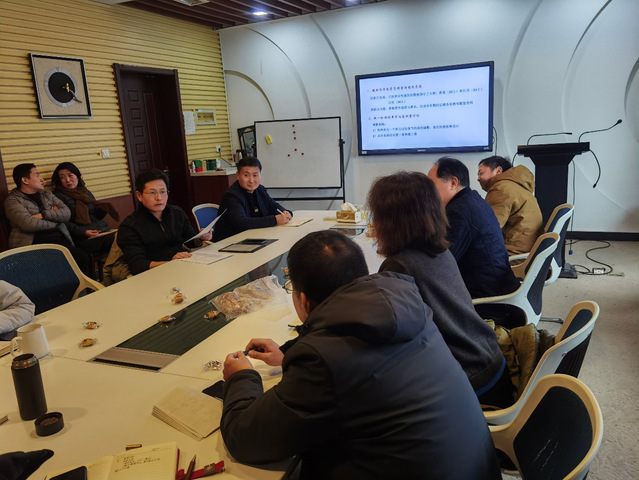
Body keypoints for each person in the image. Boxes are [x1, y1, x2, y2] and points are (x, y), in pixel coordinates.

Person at [220, 230, 501, 479]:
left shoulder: (321, 361)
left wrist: (241, 378)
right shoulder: (407, 304)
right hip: (475, 467)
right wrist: (289, 355)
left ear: (303, 299)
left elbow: (245, 439)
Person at [367, 171, 514, 408]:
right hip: (489, 360)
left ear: (388, 220)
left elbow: (389, 336)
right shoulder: (439, 250)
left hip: (471, 382)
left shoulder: (400, 265)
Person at [428, 157, 519, 299]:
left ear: (453, 183)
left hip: (489, 298)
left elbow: (441, 264)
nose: (428, 192)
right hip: (500, 286)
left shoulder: (458, 212)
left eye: (431, 185)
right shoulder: (473, 199)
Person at [117, 169, 212, 276]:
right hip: (152, 276)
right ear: (139, 195)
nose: (159, 198)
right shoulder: (130, 226)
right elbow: (137, 266)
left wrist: (200, 238)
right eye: (152, 193)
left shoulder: (177, 213)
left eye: (163, 192)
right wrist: (171, 263)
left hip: (182, 270)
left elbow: (190, 242)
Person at [4, 163, 92, 275]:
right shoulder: (13, 200)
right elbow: (28, 224)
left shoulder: (47, 194)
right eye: (37, 175)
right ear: (25, 180)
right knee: (56, 266)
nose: (42, 179)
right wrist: (56, 219)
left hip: (59, 241)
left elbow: (66, 213)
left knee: (82, 257)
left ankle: (86, 286)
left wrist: (43, 215)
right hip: (33, 245)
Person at [212, 157, 292, 242]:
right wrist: (275, 220)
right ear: (238, 175)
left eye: (255, 175)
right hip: (231, 242)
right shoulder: (231, 196)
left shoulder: (260, 190)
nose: (251, 180)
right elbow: (242, 223)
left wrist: (285, 212)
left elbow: (273, 206)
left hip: (254, 238)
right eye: (246, 175)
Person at [478, 156, 543, 255]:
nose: (478, 178)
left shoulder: (501, 189)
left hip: (513, 253)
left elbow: (488, 228)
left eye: (481, 173)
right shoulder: (515, 186)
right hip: (528, 249)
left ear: (498, 170)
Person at [52, 161, 120, 256]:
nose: (67, 180)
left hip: (102, 230)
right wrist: (84, 232)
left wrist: (103, 208)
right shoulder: (57, 197)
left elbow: (96, 216)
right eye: (62, 177)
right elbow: (63, 222)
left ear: (77, 176)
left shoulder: (85, 192)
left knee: (127, 234)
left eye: (70, 175)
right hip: (84, 238)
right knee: (120, 239)